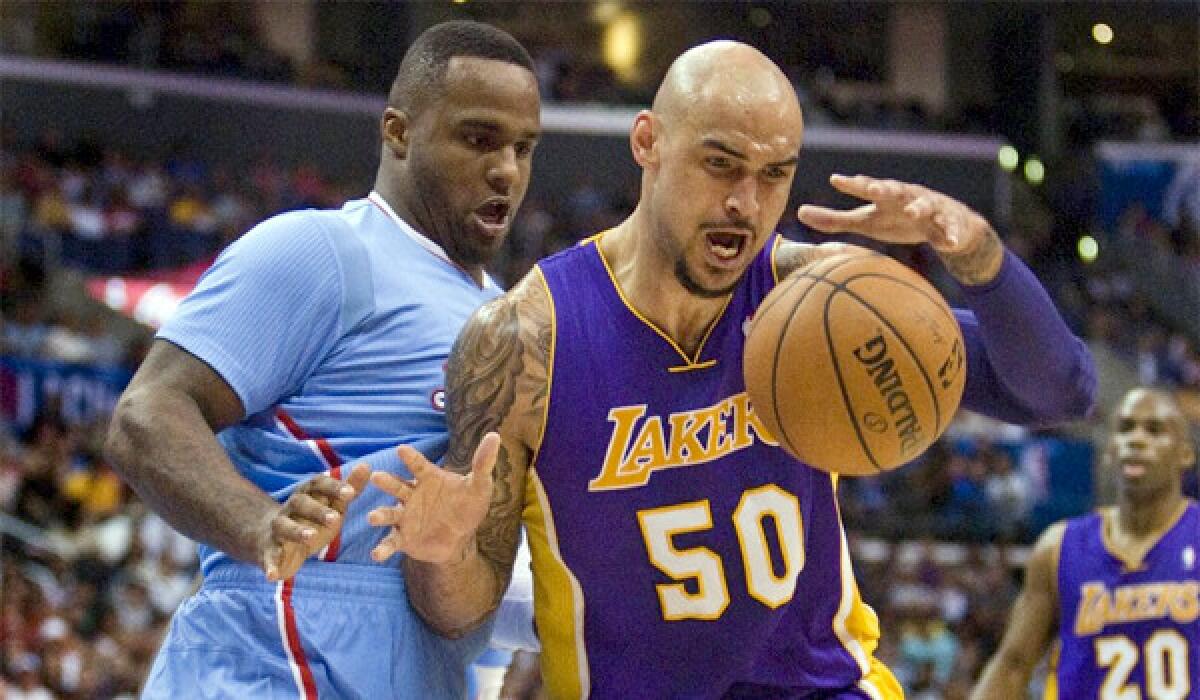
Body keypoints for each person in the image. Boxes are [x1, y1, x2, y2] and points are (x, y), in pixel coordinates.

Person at [367, 40, 1096, 698]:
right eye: (720, 165)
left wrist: (974, 252)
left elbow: (1062, 391)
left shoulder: (818, 304)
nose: (745, 205)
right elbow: (460, 608)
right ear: (647, 143)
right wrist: (441, 552)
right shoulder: (525, 341)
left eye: (774, 175)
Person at [103, 20, 541, 699]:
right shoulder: (322, 251)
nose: (505, 169)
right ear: (398, 132)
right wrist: (259, 525)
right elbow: (146, 413)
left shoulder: (513, 316)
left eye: (523, 147)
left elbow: (481, 573)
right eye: (479, 139)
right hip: (266, 663)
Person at [972, 387, 1197, 700]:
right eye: (1125, 428)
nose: (1136, 439)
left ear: (1185, 454)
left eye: (1155, 430)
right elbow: (1012, 667)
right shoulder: (1059, 547)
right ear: (1109, 451)